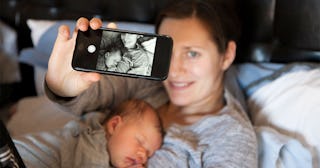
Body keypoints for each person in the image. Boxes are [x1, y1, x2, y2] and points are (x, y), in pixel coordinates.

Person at [19, 0, 258, 167]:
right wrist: (62, 86)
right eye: (169, 53)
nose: (175, 70)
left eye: (192, 53)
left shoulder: (231, 135)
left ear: (227, 55)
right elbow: (95, 91)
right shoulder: (149, 86)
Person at [14, 99, 163, 168]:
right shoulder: (94, 141)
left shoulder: (109, 148)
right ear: (114, 125)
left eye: (149, 155)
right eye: (140, 141)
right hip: (20, 157)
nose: (143, 155)